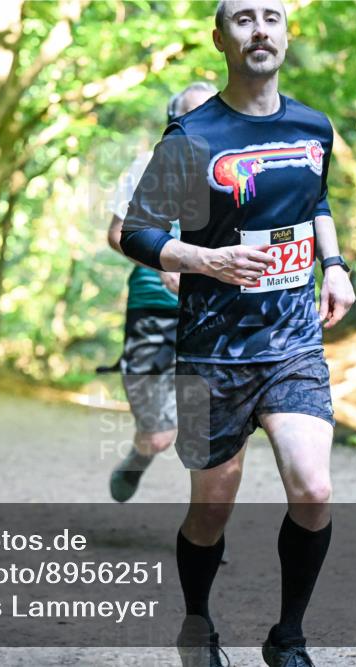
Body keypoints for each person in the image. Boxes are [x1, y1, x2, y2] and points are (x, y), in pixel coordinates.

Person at [120, 2, 356, 665]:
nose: (260, 29)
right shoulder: (192, 134)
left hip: (292, 341)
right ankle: (197, 624)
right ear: (220, 38)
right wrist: (204, 260)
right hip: (212, 348)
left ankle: (288, 637)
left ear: (285, 34)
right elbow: (138, 231)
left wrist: (332, 266)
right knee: (211, 511)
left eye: (271, 17)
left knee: (313, 489)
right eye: (244, 18)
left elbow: (316, 201)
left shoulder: (314, 127)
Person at [106, 82, 217, 503]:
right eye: (191, 116)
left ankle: (207, 529)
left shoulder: (234, 168)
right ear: (174, 122)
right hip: (153, 306)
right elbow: (117, 234)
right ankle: (141, 453)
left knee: (210, 431)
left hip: (211, 310)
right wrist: (165, 265)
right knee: (159, 434)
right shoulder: (146, 165)